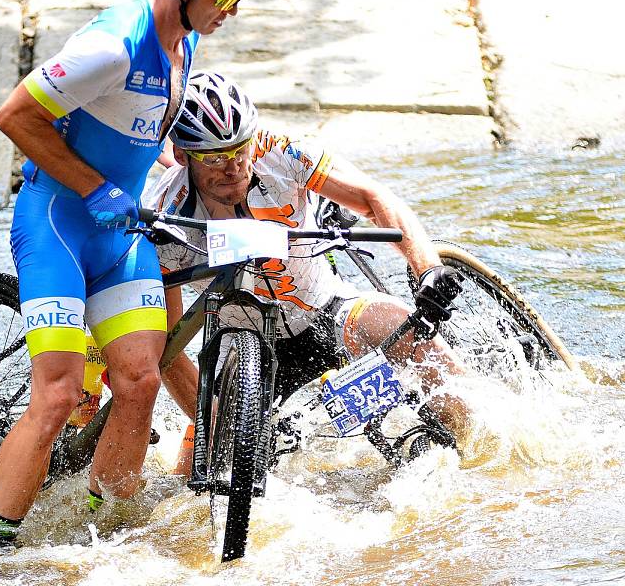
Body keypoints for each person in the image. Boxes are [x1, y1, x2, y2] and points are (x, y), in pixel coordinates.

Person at [0, 0, 263, 547]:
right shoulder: (113, 46)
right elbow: (14, 117)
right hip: (59, 226)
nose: (233, 11)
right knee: (57, 396)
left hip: (119, 236)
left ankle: (103, 542)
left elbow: (139, 133)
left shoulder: (183, 44)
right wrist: (97, 187)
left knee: (138, 379)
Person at [143, 71, 469, 459]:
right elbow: (167, 348)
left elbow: (373, 196)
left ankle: (474, 447)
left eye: (239, 151)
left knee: (416, 341)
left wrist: (427, 268)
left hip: (327, 309)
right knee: (192, 484)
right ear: (182, 156)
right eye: (214, 157)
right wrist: (208, 417)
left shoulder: (281, 153)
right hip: (241, 349)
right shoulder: (165, 214)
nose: (232, 168)